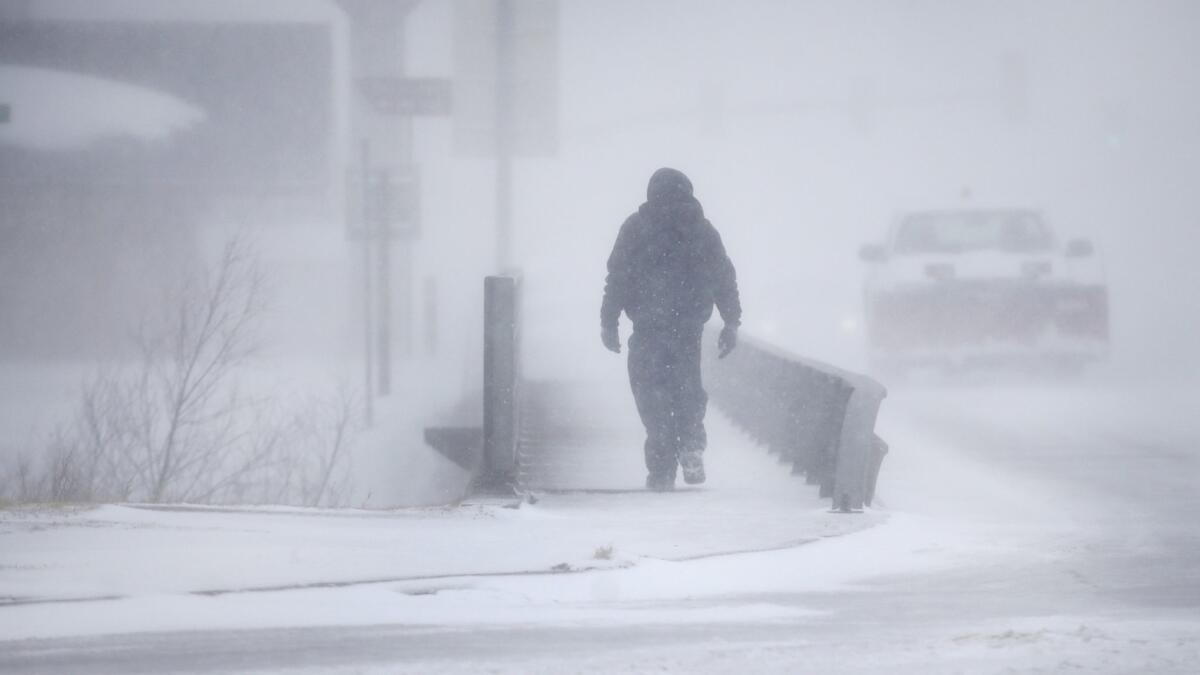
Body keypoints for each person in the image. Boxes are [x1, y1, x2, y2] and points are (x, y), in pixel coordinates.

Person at [600, 167, 742, 491]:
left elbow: (617, 278)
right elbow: (724, 278)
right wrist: (731, 322)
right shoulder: (702, 231)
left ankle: (662, 468)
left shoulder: (636, 229)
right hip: (687, 329)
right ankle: (691, 444)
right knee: (687, 389)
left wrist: (609, 322)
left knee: (651, 397)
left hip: (649, 329)